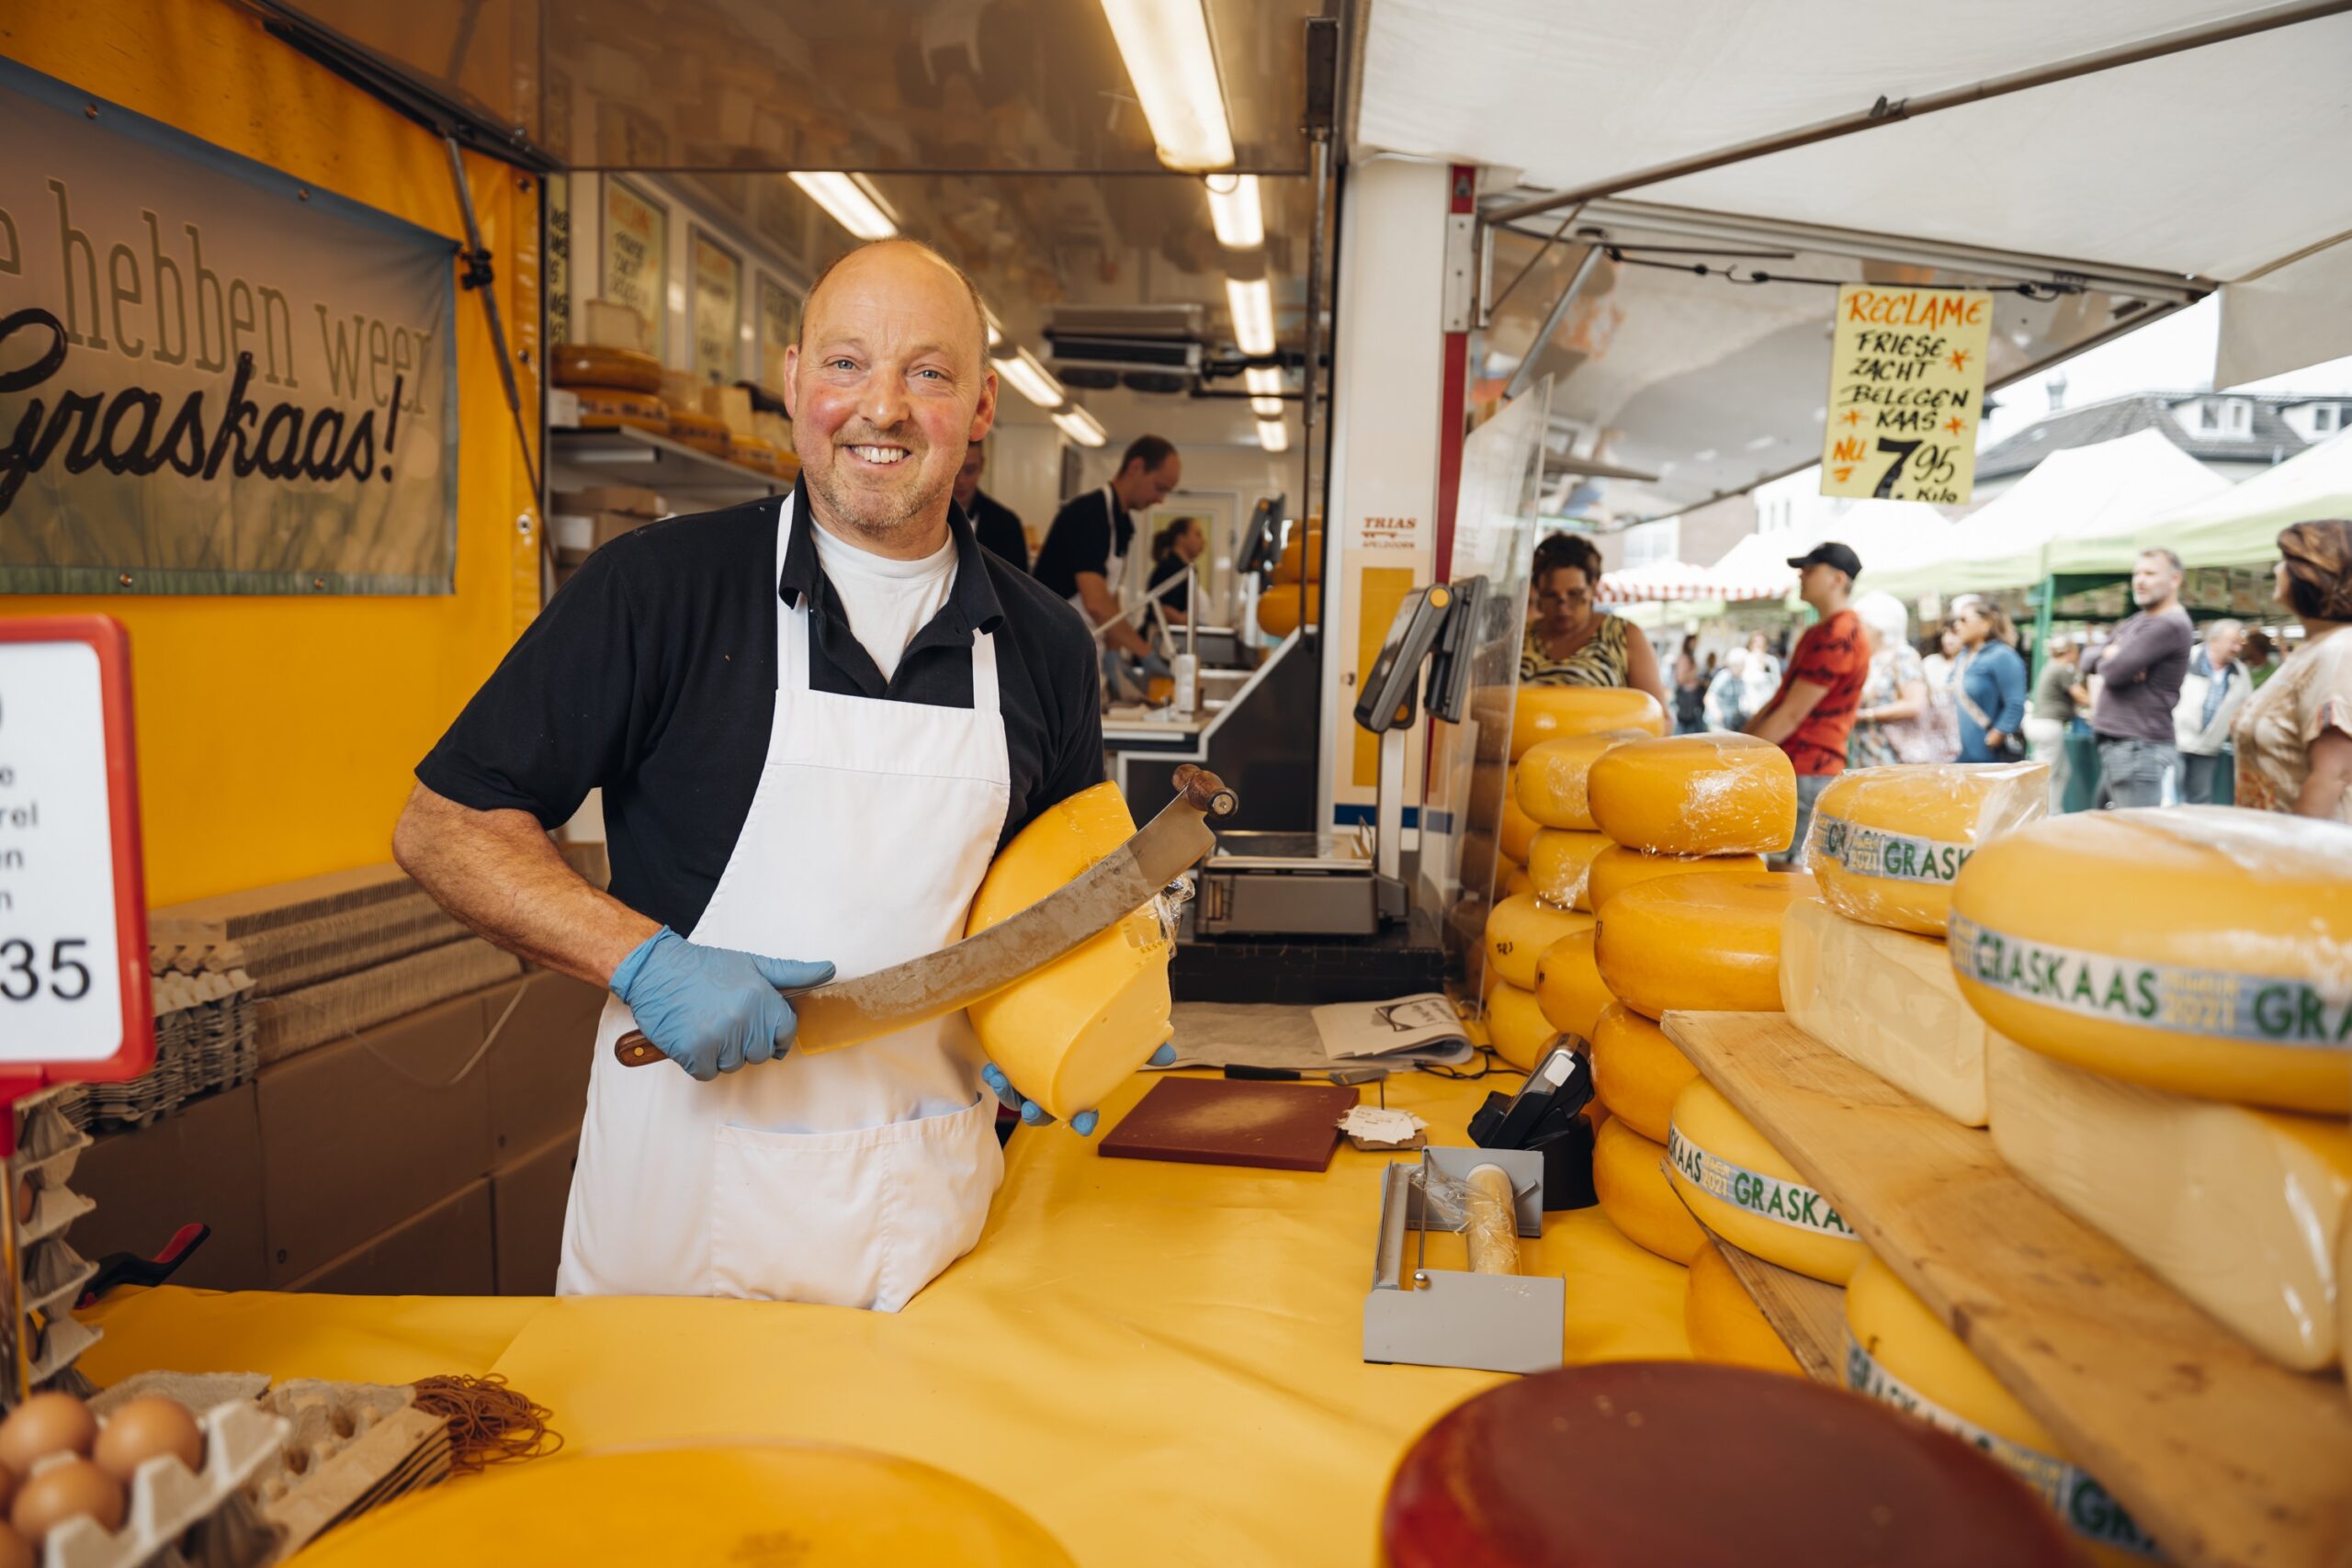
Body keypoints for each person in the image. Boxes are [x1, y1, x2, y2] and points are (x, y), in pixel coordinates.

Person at [391, 239, 1152, 1307]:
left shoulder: (1044, 645)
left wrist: (1050, 1035)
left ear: (981, 410)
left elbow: (1059, 897)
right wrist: (644, 961)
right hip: (680, 1222)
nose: (880, 408)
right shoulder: (659, 591)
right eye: (847, 365)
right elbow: (446, 827)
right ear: (795, 381)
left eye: (928, 375)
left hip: (932, 1223)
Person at [1746, 543, 1869, 863]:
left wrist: (1743, 758)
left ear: (1837, 579)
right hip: (1798, 767)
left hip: (1807, 769)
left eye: (1811, 569)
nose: (1801, 575)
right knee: (1780, 871)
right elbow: (1783, 701)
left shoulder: (1840, 633)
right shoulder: (1824, 630)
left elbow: (1791, 713)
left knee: (1786, 876)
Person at [2233, 520, 2352, 821]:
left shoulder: (2338, 651)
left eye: (2285, 562)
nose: (2276, 570)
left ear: (2313, 573)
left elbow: (2332, 775)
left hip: (2304, 856)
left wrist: (2288, 862)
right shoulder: (2313, 648)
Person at [1033, 434, 1182, 670]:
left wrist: (1114, 651)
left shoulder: (1122, 523)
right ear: (1136, 467)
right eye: (1159, 488)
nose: (1160, 499)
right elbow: (1096, 602)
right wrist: (1144, 653)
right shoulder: (1088, 514)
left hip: (1085, 648)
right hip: (1053, 651)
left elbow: (1111, 595)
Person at [2080, 547, 2194, 808]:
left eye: (2150, 573)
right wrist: (2108, 655)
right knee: (2109, 832)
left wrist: (2111, 659)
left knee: (2137, 840)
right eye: (2137, 573)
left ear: (2175, 579)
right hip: (2125, 746)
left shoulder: (2169, 624)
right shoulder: (2139, 620)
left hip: (2138, 748)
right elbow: (2088, 659)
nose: (2140, 580)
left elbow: (2114, 672)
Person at [1519, 532, 1670, 707]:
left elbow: (1661, 717)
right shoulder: (1522, 637)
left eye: (1575, 594)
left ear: (1593, 587)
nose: (1563, 606)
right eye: (1551, 595)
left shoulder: (1623, 635)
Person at [1847, 592, 1931, 770]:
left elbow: (1915, 704)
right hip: (1866, 756)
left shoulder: (1903, 655)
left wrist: (1867, 715)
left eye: (1861, 624)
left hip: (1895, 759)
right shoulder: (1869, 659)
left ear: (1878, 625)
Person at [2173, 618, 2250, 805]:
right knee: (2170, 796)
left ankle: (2192, 834)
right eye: (2233, 642)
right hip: (2175, 742)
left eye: (2239, 643)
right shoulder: (2186, 659)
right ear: (2214, 640)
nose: (2238, 648)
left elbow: (2246, 709)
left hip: (2208, 748)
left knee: (2200, 801)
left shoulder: (2241, 673)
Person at [1948, 595, 2029, 763]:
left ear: (1986, 623)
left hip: (1987, 758)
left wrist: (1996, 735)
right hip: (1959, 756)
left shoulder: (2002, 656)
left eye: (1963, 620)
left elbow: (2015, 703)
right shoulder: (1963, 657)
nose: (1957, 625)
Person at [952, 442, 1029, 573]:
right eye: (955, 470)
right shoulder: (922, 521)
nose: (961, 481)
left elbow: (1017, 585)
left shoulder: (1008, 524)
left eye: (970, 470)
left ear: (982, 465)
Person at [2023, 636, 2081, 811]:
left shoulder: (2050, 666)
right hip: (2048, 725)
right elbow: (2081, 695)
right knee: (2047, 775)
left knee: (2063, 772)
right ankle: (2037, 813)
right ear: (2070, 652)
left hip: (2040, 723)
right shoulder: (2060, 669)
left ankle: (2054, 811)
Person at [1145, 515, 1206, 637]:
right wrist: (1200, 627)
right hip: (1165, 641)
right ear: (1181, 538)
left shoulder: (1185, 569)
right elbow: (1164, 610)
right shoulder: (1170, 568)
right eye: (1197, 534)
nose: (1203, 541)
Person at [1703, 649, 1750, 731]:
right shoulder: (1724, 676)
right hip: (1718, 722)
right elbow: (1709, 697)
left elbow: (1744, 699)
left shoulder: (1741, 679)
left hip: (1731, 721)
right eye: (1742, 664)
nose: (1744, 666)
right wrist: (1716, 713)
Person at [1738, 630, 1782, 718]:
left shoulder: (1772, 660)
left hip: (1767, 707)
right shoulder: (1745, 659)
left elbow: (1777, 682)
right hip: (1749, 708)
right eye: (1756, 642)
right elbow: (1747, 681)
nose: (1758, 645)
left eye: (1761, 642)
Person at [1672, 636, 1707, 733]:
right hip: (1687, 699)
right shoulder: (1684, 658)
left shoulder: (1691, 657)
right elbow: (1680, 679)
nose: (1696, 645)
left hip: (1692, 699)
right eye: (1694, 642)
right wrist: (1694, 672)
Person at [1921, 626, 1961, 690]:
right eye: (1945, 633)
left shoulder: (1969, 664)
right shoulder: (1930, 662)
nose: (1947, 640)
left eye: (1954, 633)